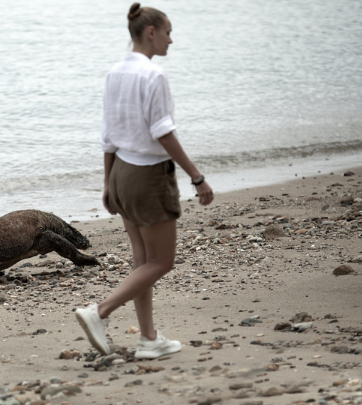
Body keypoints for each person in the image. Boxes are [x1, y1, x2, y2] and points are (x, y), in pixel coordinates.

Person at [75, 3, 214, 359]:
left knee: (143, 262)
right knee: (161, 262)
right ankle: (99, 312)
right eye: (168, 31)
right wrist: (196, 177)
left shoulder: (113, 73)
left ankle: (149, 339)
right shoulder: (154, 75)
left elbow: (107, 135)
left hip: (121, 171)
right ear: (150, 32)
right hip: (148, 176)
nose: (172, 39)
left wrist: (108, 183)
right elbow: (163, 133)